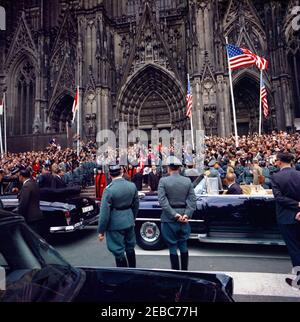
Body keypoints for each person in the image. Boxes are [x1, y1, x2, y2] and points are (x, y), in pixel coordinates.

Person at [157, 156, 196, 271]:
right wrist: (187, 214)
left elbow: (162, 201)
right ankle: (185, 272)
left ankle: (175, 273)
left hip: (170, 219)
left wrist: (174, 215)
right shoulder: (187, 180)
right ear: (179, 168)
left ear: (169, 168)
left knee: (172, 246)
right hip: (184, 217)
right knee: (183, 244)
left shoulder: (163, 181)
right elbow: (192, 200)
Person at [97, 164, 139, 268]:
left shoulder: (109, 190)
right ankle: (133, 271)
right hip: (129, 220)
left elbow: (104, 213)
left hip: (115, 224)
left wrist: (101, 231)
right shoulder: (132, 185)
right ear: (121, 172)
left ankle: (123, 276)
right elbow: (136, 205)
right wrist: (132, 218)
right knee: (130, 247)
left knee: (118, 250)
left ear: (110, 175)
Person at [271, 152, 300, 288]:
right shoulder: (299, 174)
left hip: (285, 217)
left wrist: (296, 205)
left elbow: (279, 198)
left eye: (276, 160)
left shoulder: (276, 177)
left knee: (294, 249)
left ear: (280, 162)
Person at [18, 169, 45, 237]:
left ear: (21, 176)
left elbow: (23, 204)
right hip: (37, 215)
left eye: (19, 176)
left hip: (30, 218)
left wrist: (19, 217)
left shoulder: (26, 186)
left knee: (32, 238)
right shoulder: (34, 183)